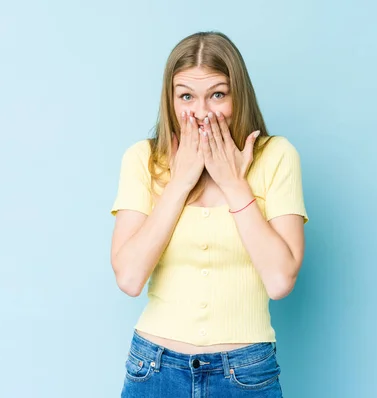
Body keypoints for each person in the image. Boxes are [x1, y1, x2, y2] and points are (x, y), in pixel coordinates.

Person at [110, 31, 309, 398]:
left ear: (238, 96)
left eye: (217, 94)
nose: (201, 112)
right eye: (186, 96)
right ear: (170, 101)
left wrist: (234, 184)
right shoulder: (142, 159)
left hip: (246, 372)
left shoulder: (277, 156)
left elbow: (280, 281)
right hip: (153, 369)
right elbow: (130, 278)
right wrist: (180, 183)